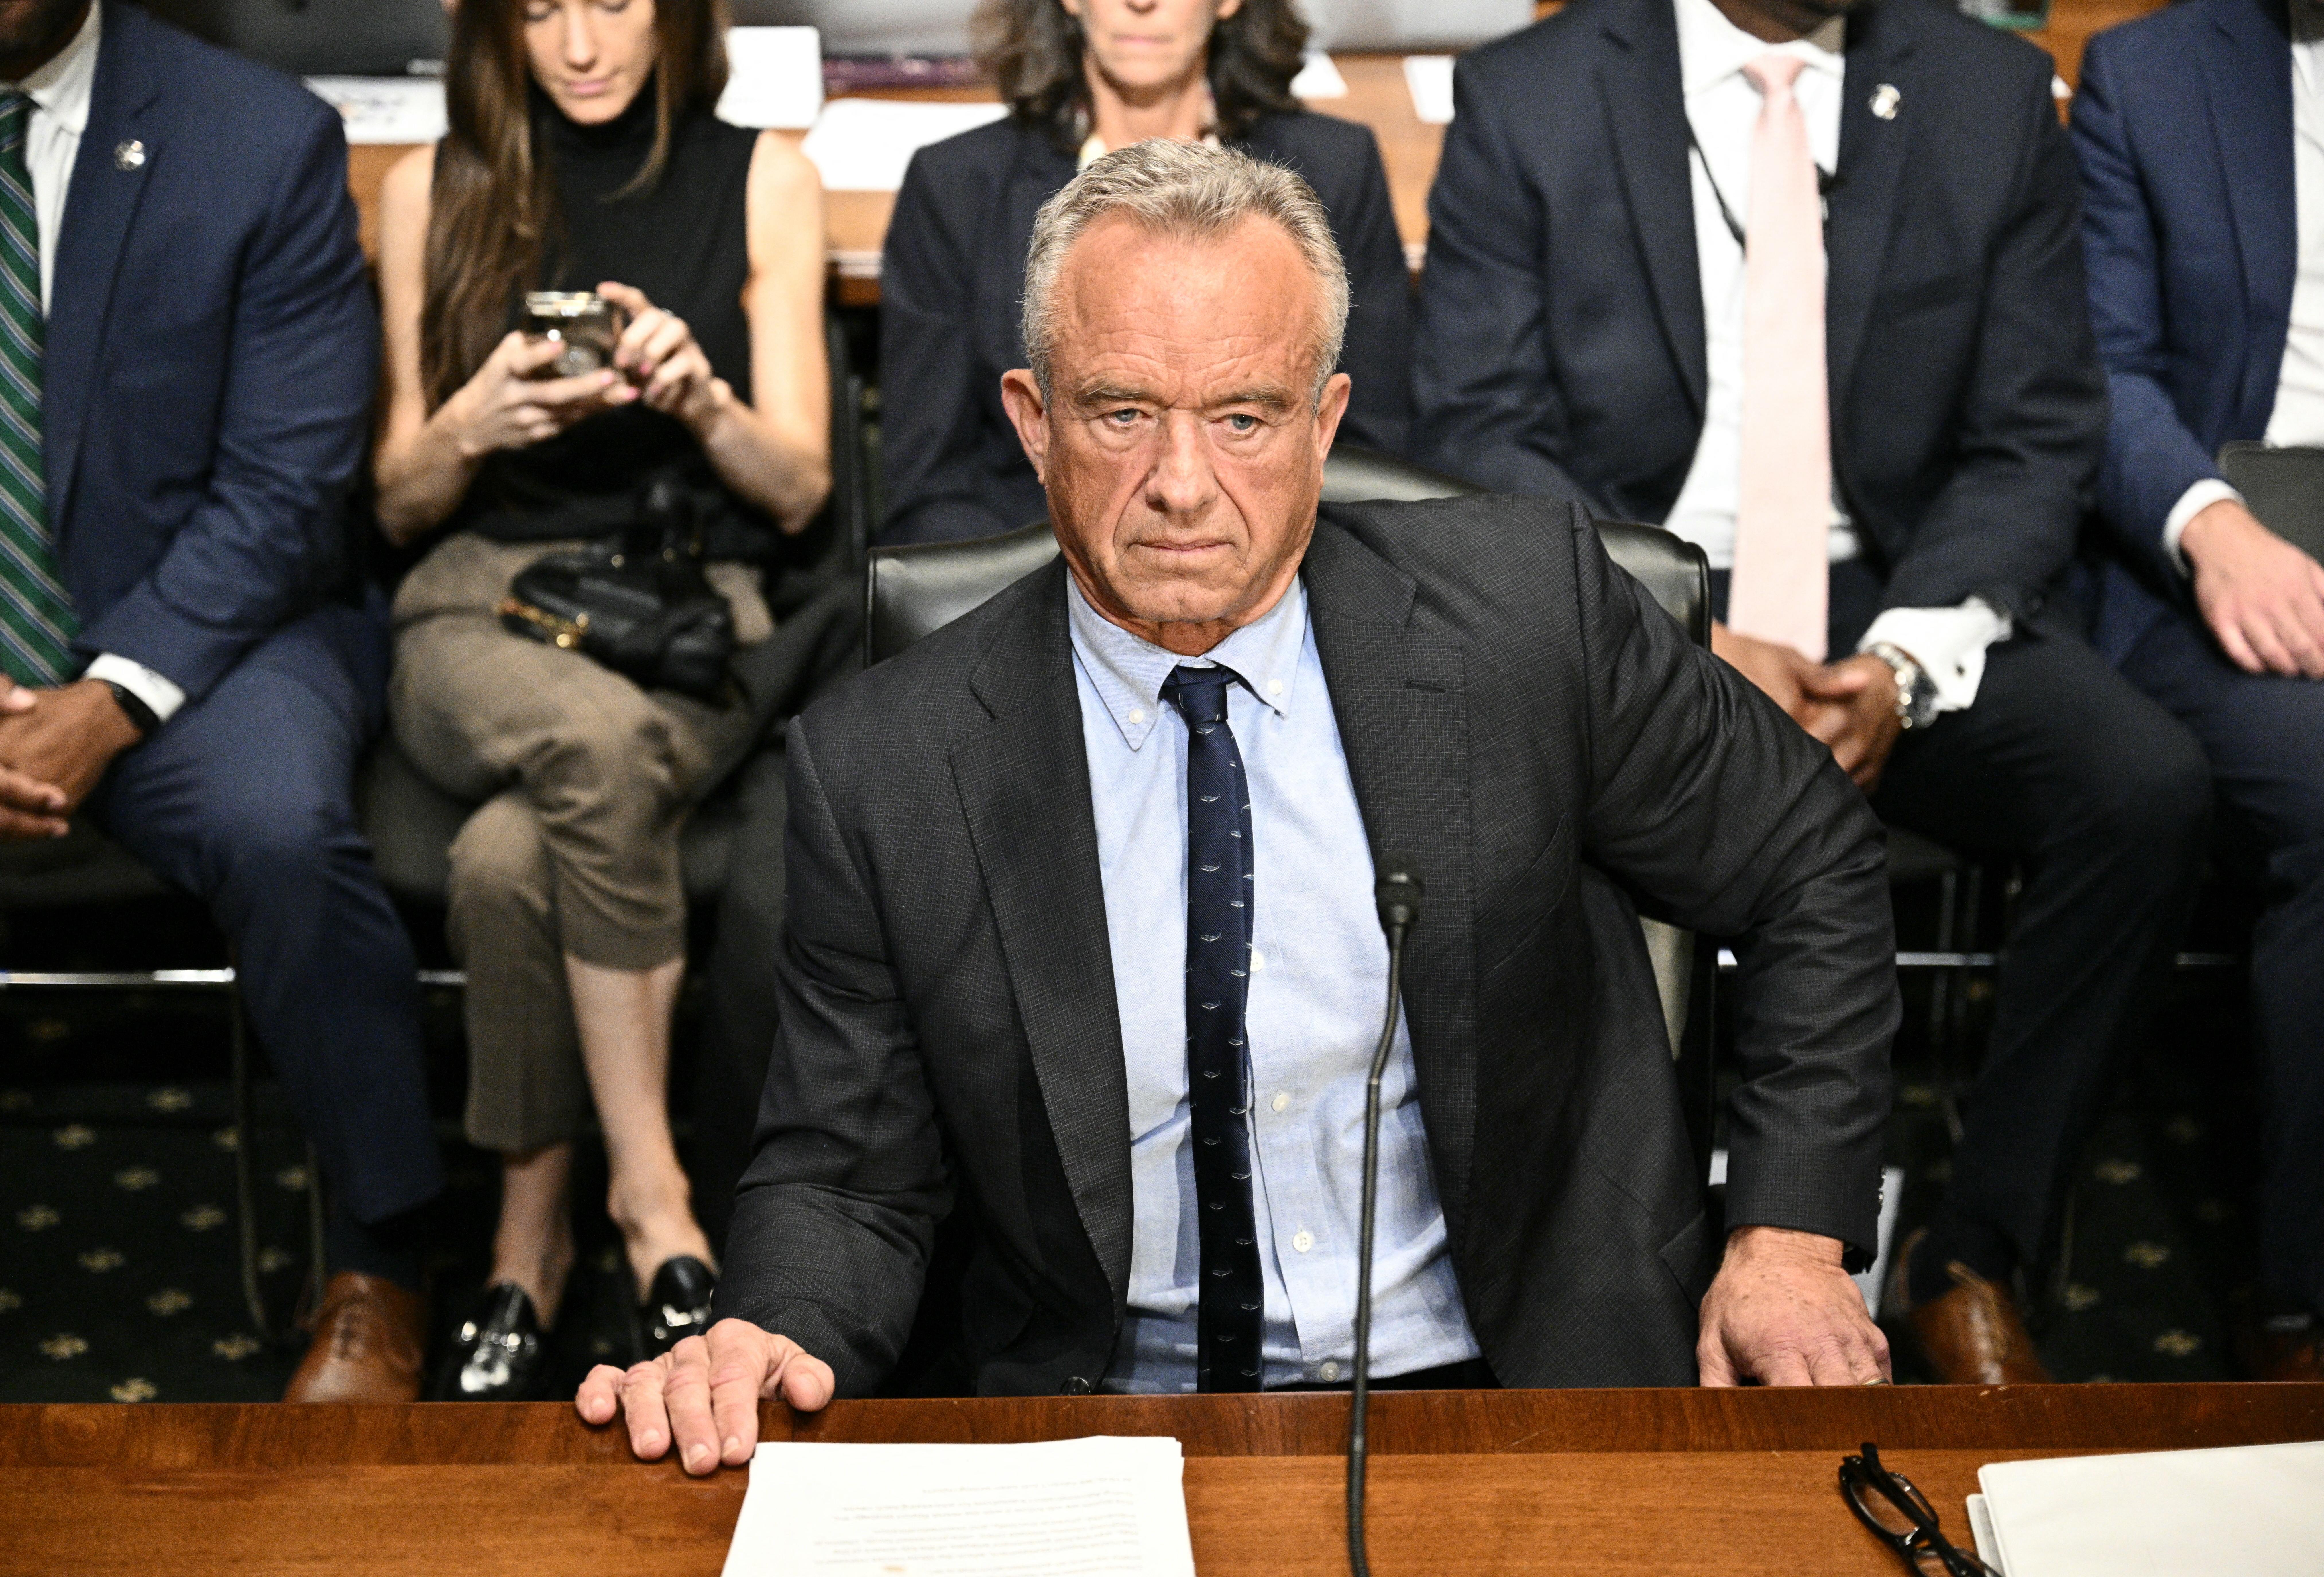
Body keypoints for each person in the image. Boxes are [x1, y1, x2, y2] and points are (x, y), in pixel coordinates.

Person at [578, 140, 1901, 1469]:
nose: (1180, 485)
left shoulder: (1526, 621)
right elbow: (845, 1177)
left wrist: (1787, 1235)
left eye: (1242, 418)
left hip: (1515, 1387)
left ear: (1324, 425)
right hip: (1103, 1419)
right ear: (1031, 423)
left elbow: (1809, 869)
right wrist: (767, 1331)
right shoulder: (885, 764)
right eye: (1118, 413)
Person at [1411, 0, 2215, 1384]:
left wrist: (1902, 658)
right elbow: (1478, 427)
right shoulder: (1524, 94)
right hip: (1634, 583)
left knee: (2144, 793)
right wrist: (1678, 628)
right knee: (1529, 794)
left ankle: (1967, 1250)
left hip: (1894, 597)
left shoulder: (1990, 91)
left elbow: (2034, 432)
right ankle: (1614, 1254)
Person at [0, 0, 443, 1401]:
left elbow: (289, 487)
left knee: (283, 830)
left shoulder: (258, 137)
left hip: (205, 629)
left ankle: (379, 1261)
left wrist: (107, 697)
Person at [370, 0, 829, 1399]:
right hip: (476, 608)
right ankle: (654, 1194)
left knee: (513, 853)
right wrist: (469, 424)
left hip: (682, 619)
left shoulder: (766, 177)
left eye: (616, 2)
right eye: (541, 7)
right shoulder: (426, 187)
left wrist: (699, 403)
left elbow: (801, 486)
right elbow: (394, 501)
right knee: (585, 743)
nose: (579, 42)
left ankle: (527, 1237)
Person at [2072, 0, 2324, 1381]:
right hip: (2216, 552)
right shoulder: (2147, 72)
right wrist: (2208, 525)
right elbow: (2100, 368)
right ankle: (2301, 1307)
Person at [875, 0, 1414, 547]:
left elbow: (1376, 459)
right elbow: (927, 492)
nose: (1141, 3)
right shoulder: (955, 187)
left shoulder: (1337, 169)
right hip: (1041, 571)